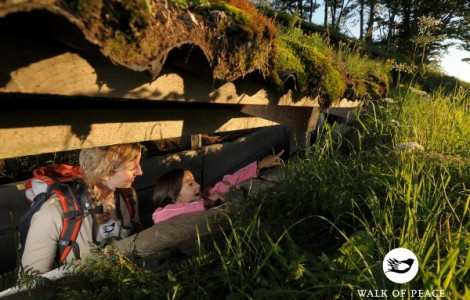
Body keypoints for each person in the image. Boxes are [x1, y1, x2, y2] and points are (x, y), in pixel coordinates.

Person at [21, 143, 143, 274]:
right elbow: (30, 281)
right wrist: (94, 265)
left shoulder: (127, 196)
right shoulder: (53, 212)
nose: (140, 172)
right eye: (132, 168)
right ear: (106, 172)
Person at [152, 149, 284, 224]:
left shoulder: (204, 196)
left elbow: (229, 182)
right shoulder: (165, 213)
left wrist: (259, 165)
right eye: (190, 184)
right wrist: (206, 203)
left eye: (195, 181)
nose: (198, 185)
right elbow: (158, 216)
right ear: (174, 197)